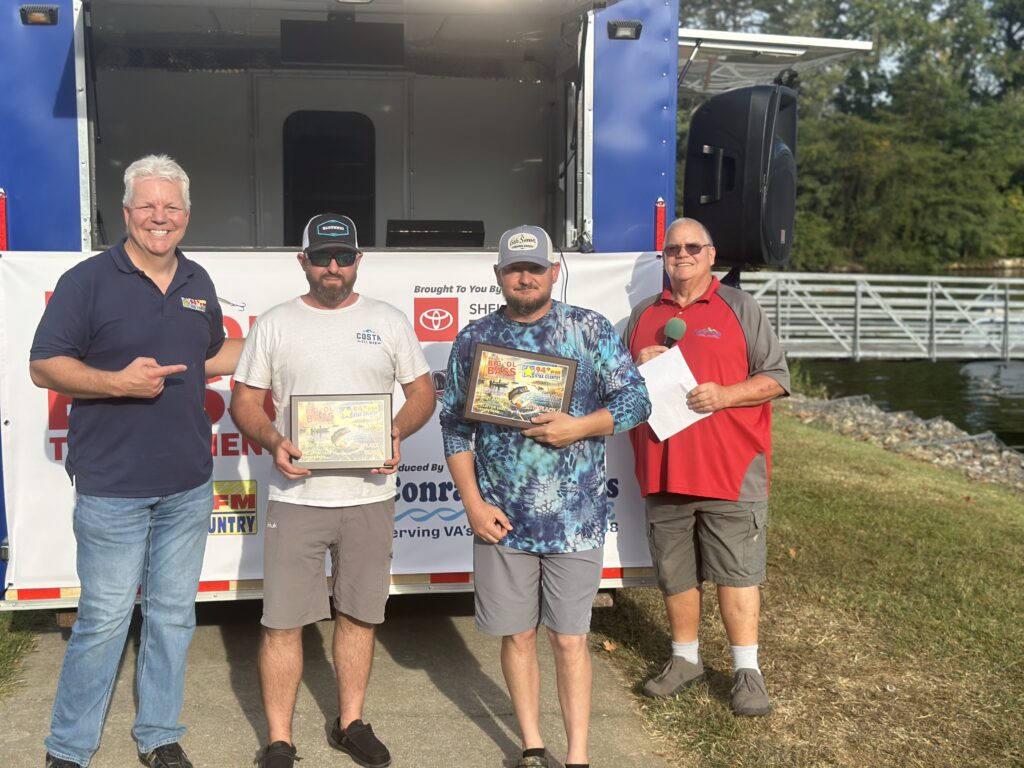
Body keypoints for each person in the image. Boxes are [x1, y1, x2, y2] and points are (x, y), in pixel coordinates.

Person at [30, 155, 243, 768]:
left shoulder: (198, 280)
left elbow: (208, 355)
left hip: (187, 483)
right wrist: (115, 383)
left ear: (187, 215)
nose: (159, 217)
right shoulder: (87, 281)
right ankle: (69, 748)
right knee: (103, 620)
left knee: (173, 617)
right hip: (112, 486)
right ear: (126, 212)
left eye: (171, 206)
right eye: (147, 205)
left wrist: (281, 341)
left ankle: (158, 735)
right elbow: (44, 365)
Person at [229, 213, 435, 768]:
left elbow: (422, 392)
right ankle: (279, 740)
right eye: (322, 258)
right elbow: (244, 401)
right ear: (304, 261)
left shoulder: (388, 321)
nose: (334, 268)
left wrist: (396, 430)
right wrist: (273, 439)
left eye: (344, 257)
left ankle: (350, 722)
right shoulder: (275, 324)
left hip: (370, 496)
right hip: (297, 499)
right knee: (282, 623)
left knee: (359, 615)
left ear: (358, 260)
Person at [440, 225, 651, 768]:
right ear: (498, 275)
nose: (525, 277)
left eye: (534, 267)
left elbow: (636, 400)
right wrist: (472, 504)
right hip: (501, 520)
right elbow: (454, 427)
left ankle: (577, 756)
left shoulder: (588, 328)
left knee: (569, 640)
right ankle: (532, 746)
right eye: (514, 268)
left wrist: (578, 427)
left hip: (575, 521)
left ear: (553, 272)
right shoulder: (475, 338)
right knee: (516, 637)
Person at [624, 216, 790, 716]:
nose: (682, 255)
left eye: (693, 247)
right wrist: (635, 365)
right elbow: (615, 389)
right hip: (663, 469)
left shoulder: (740, 308)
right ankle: (685, 660)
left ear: (711, 255)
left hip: (730, 470)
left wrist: (725, 396)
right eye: (673, 249)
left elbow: (776, 378)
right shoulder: (643, 315)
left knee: (737, 573)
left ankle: (747, 672)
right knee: (675, 572)